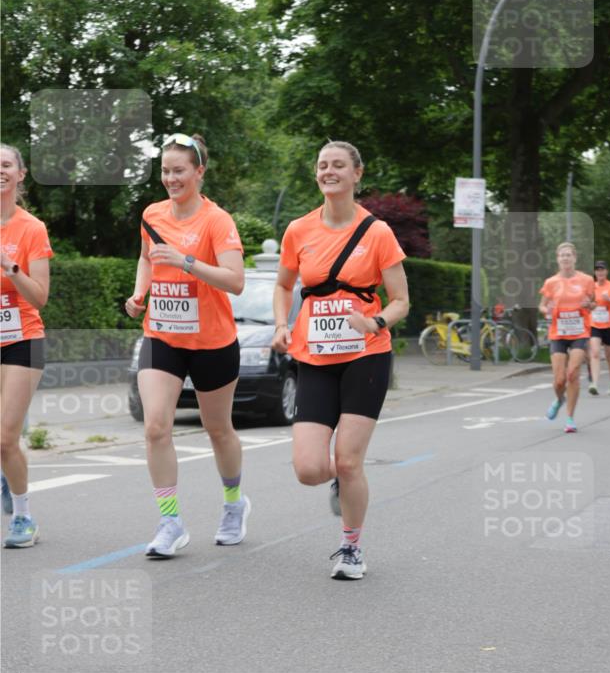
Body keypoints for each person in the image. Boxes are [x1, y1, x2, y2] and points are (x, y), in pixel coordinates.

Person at [272, 141, 410, 580]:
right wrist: (281, 324)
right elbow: (283, 285)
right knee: (308, 469)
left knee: (349, 460)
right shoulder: (299, 230)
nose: (328, 172)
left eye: (337, 165)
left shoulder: (377, 232)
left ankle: (351, 548)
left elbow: (401, 300)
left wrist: (375, 322)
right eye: (322, 165)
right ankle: (341, 479)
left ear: (357, 174)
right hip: (315, 356)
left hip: (366, 356)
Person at [125, 132, 249, 558]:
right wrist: (139, 294)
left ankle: (234, 504)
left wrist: (186, 262)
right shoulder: (152, 214)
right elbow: (146, 257)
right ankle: (170, 521)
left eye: (179, 171)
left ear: (199, 172)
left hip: (212, 341)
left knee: (218, 429)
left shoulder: (217, 221)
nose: (171, 179)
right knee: (156, 426)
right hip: (162, 335)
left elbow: (235, 281)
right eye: (165, 171)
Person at [1, 143, 54, 547]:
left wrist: (11, 267)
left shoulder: (31, 228)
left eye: (6, 165)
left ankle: (23, 517)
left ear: (20, 174)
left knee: (6, 437)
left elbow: (40, 297)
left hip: (24, 339)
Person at [539, 242, 594, 433]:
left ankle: (570, 418)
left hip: (580, 332)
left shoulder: (587, 280)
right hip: (558, 333)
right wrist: (547, 310)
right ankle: (559, 399)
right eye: (562, 255)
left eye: (568, 255)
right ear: (557, 259)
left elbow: (594, 303)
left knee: (573, 374)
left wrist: (589, 305)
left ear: (574, 258)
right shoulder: (551, 282)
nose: (565, 258)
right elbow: (542, 305)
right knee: (559, 380)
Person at [588, 260, 610, 395]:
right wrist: (590, 305)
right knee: (595, 353)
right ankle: (594, 384)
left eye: (602, 269)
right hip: (595, 325)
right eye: (597, 270)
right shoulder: (591, 287)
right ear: (595, 272)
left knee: (609, 356)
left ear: (606, 271)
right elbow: (588, 305)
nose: (600, 272)